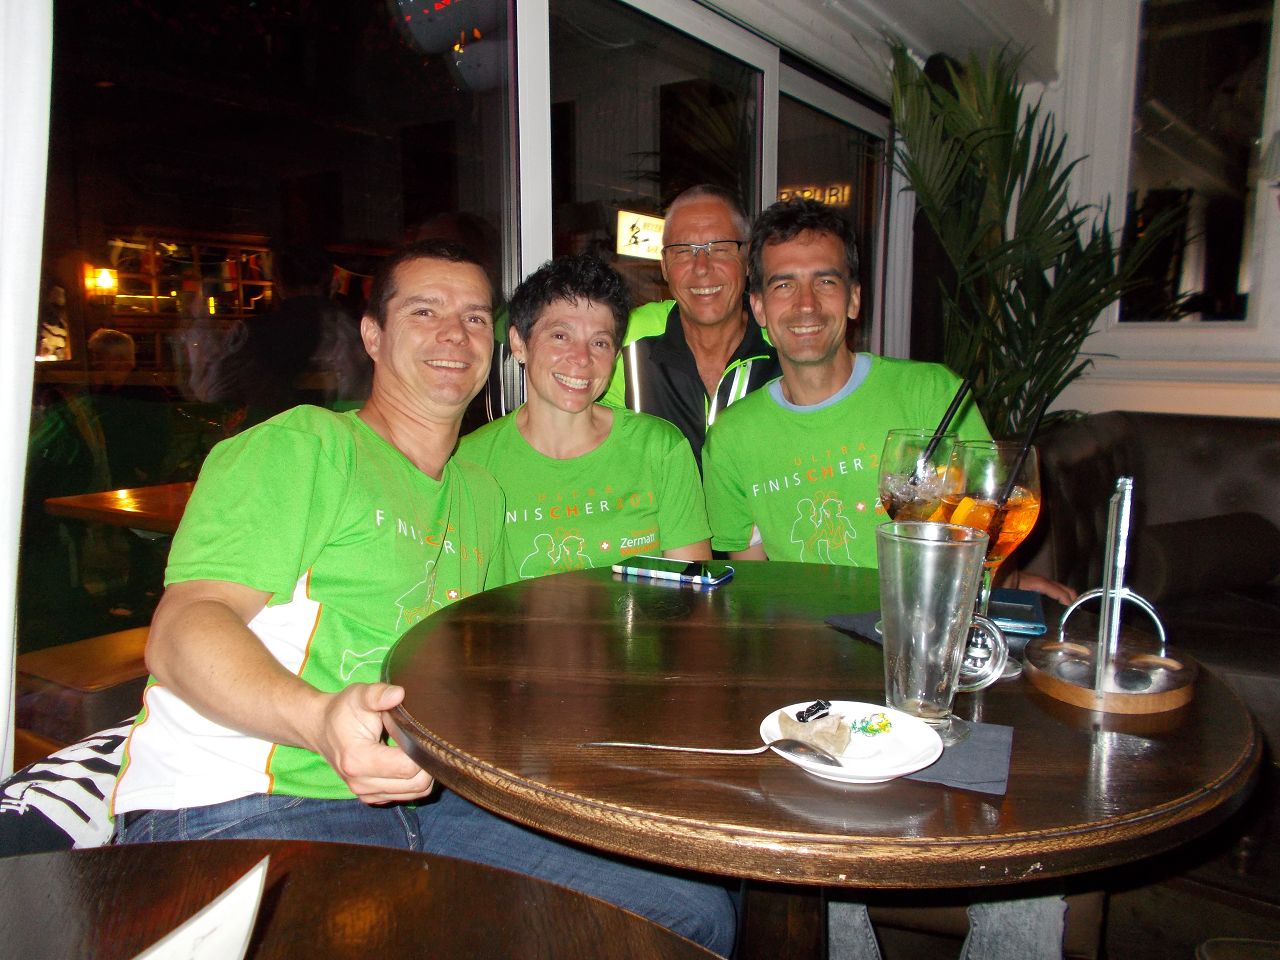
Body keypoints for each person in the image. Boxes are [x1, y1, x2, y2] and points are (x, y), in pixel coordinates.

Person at [111, 239, 736, 957]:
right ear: (373, 335)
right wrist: (319, 720)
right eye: (424, 311)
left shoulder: (478, 493)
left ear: (494, 346)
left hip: (423, 800)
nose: (453, 334)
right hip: (242, 802)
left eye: (472, 318)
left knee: (689, 912)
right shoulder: (306, 446)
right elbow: (185, 626)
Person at [702, 197, 1067, 959]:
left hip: (943, 662)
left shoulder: (930, 393)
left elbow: (986, 520)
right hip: (818, 676)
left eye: (826, 282)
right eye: (783, 285)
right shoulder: (733, 435)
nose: (806, 305)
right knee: (813, 835)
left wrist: (1012, 582)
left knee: (1032, 851)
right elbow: (754, 582)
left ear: (855, 300)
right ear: (759, 309)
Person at [459, 254, 709, 577]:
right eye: (560, 336)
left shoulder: (660, 448)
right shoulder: (470, 464)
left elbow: (691, 591)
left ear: (615, 356)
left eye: (600, 343)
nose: (581, 358)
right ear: (519, 343)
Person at [600, 184, 779, 465]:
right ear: (664, 266)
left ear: (747, 259)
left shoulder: (782, 341)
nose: (702, 267)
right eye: (683, 251)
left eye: (719, 249)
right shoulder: (627, 338)